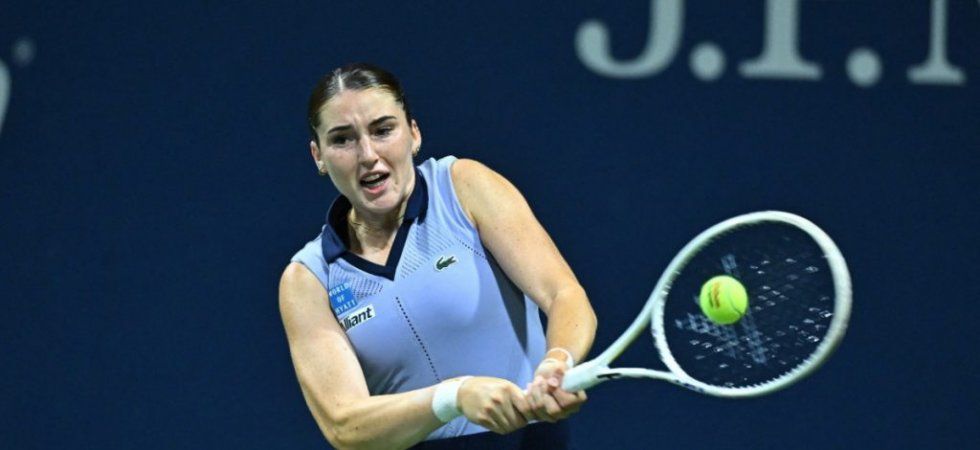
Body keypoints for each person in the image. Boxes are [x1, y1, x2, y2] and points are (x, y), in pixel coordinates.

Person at [279, 63, 597, 449]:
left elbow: (564, 294)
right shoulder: (309, 279)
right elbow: (344, 426)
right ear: (318, 156)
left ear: (413, 133)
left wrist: (557, 361)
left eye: (383, 130)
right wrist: (453, 397)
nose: (368, 154)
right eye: (342, 139)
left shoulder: (465, 187)